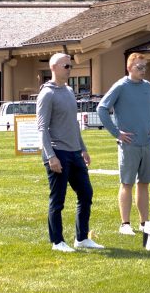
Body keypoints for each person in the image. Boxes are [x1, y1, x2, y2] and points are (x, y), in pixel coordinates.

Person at [37, 53, 104, 253]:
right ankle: (57, 242)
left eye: (70, 66)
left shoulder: (68, 91)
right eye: (66, 65)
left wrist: (82, 148)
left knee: (86, 193)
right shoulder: (47, 94)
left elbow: (73, 124)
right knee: (58, 199)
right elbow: (41, 127)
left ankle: (81, 238)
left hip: (74, 152)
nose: (69, 69)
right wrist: (51, 156)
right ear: (54, 67)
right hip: (57, 152)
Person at [98, 52, 150, 236]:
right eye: (139, 67)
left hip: (147, 143)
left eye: (144, 67)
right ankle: (125, 224)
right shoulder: (120, 86)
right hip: (129, 145)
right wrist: (117, 133)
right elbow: (102, 108)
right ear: (129, 68)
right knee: (127, 183)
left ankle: (144, 223)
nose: (143, 71)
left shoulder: (148, 87)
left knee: (144, 183)